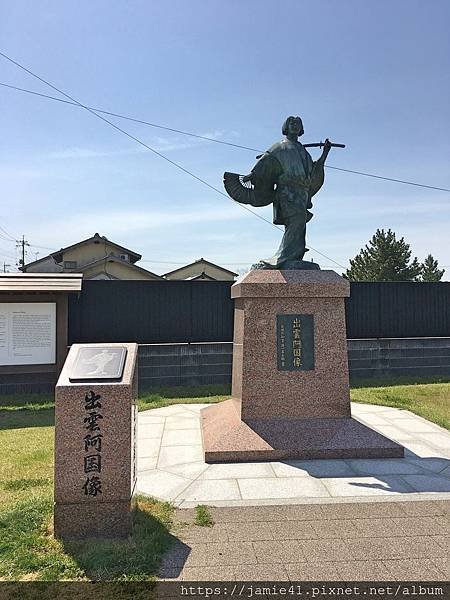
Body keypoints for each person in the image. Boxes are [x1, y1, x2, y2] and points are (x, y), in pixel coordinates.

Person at [242, 115, 331, 268]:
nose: (295, 125)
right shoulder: (280, 147)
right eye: (292, 123)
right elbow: (265, 161)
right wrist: (253, 174)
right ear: (286, 126)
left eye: (298, 123)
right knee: (296, 221)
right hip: (286, 192)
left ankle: (294, 256)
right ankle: (282, 258)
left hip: (301, 193)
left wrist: (325, 153)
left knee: (299, 224)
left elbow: (314, 170)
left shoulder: (302, 150)